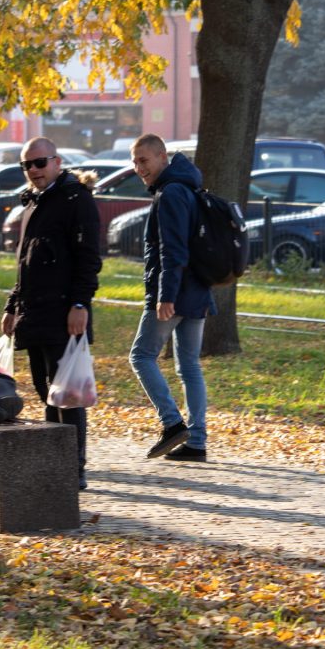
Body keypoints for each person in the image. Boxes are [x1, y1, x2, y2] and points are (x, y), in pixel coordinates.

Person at [1, 136, 102, 489]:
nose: (33, 170)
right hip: (35, 313)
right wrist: (12, 305)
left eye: (39, 163)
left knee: (69, 395)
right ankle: (55, 465)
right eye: (26, 165)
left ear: (57, 162)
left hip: (65, 313)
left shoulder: (77, 199)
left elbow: (89, 259)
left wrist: (79, 304)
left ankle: (73, 469)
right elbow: (24, 265)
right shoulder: (32, 202)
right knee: (47, 393)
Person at [128, 134, 216, 462]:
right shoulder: (188, 187)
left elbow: (173, 249)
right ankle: (197, 442)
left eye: (144, 160)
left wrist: (165, 295)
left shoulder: (172, 193)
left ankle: (172, 423)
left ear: (162, 157)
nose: (139, 168)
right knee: (189, 366)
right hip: (197, 288)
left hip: (176, 290)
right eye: (135, 162)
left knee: (141, 356)